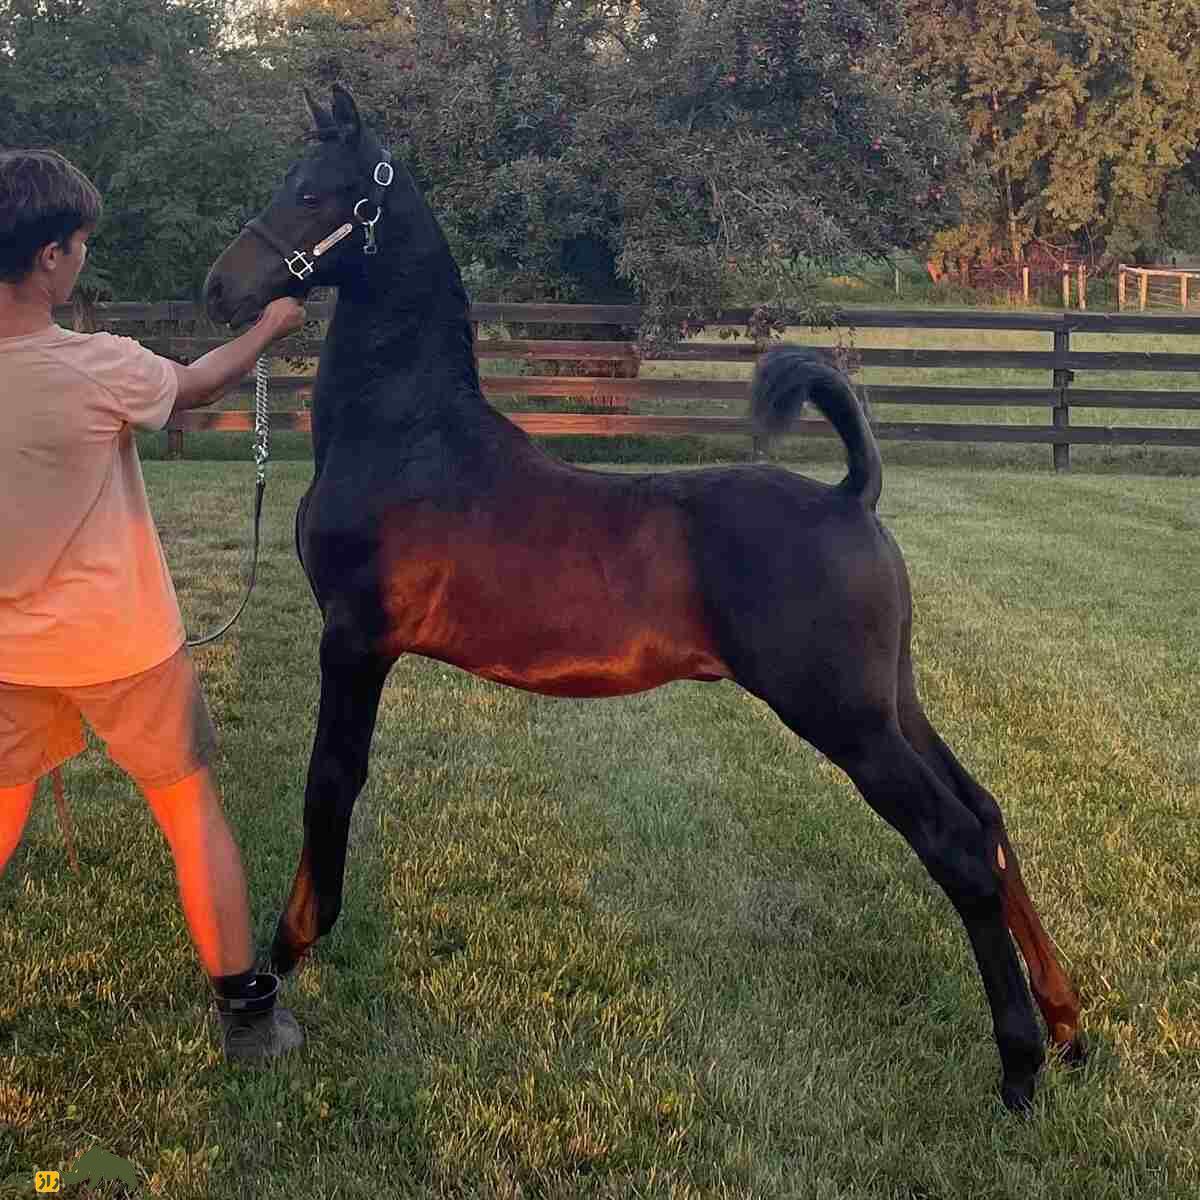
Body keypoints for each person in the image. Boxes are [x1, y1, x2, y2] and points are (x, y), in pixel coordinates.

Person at [0, 148, 306, 1060]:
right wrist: (272, 326)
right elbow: (199, 386)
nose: (84, 259)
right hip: (125, 644)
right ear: (50, 257)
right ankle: (247, 1013)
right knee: (190, 810)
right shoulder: (96, 365)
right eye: (82, 245)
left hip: (8, 651)